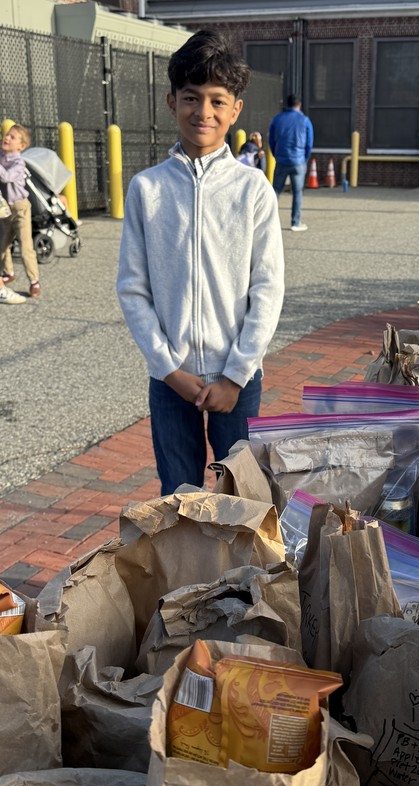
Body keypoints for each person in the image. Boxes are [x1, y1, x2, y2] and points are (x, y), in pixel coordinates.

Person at [116, 29, 285, 496]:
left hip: (238, 379)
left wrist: (236, 373)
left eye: (216, 100)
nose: (203, 112)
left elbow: (267, 288)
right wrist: (167, 367)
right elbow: (133, 287)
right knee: (179, 497)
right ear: (172, 102)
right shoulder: (147, 189)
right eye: (192, 98)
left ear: (235, 109)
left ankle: (240, 573)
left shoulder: (253, 190)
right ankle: (187, 573)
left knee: (243, 498)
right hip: (171, 380)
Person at [0, 123, 41, 298]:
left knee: (25, 247)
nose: (7, 138)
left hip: (21, 208)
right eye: (7, 135)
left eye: (13, 137)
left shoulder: (18, 162)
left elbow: (6, 177)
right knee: (2, 244)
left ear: (21, 146)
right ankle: (8, 273)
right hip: (4, 208)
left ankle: (34, 281)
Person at [268, 95, 313, 232]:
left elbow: (271, 140)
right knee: (297, 192)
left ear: (287, 105)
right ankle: (295, 222)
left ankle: (268, 223)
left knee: (275, 190)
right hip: (298, 161)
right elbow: (309, 143)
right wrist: (304, 158)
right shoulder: (305, 120)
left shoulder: (277, 119)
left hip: (281, 159)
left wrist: (276, 155)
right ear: (298, 105)